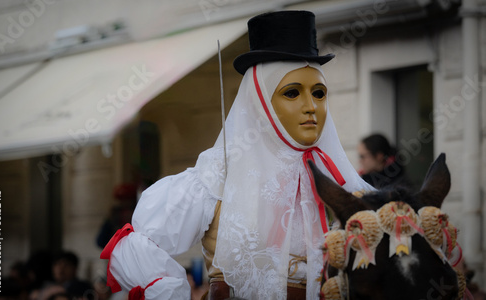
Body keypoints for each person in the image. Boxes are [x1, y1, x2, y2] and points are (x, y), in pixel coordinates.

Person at [100, 10, 374, 299]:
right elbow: (143, 243)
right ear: (260, 103)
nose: (311, 106)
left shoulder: (339, 179)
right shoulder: (218, 173)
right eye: (292, 93)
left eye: (318, 93)